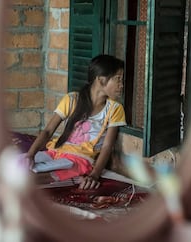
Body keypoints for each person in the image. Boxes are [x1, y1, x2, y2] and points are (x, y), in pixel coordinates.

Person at [25, 54, 126, 190]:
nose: (122, 85)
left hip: (80, 160)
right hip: (55, 153)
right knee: (18, 167)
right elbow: (48, 131)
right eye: (118, 79)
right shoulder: (71, 99)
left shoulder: (114, 109)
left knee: (32, 179)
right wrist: (30, 155)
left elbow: (107, 147)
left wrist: (94, 175)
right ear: (101, 80)